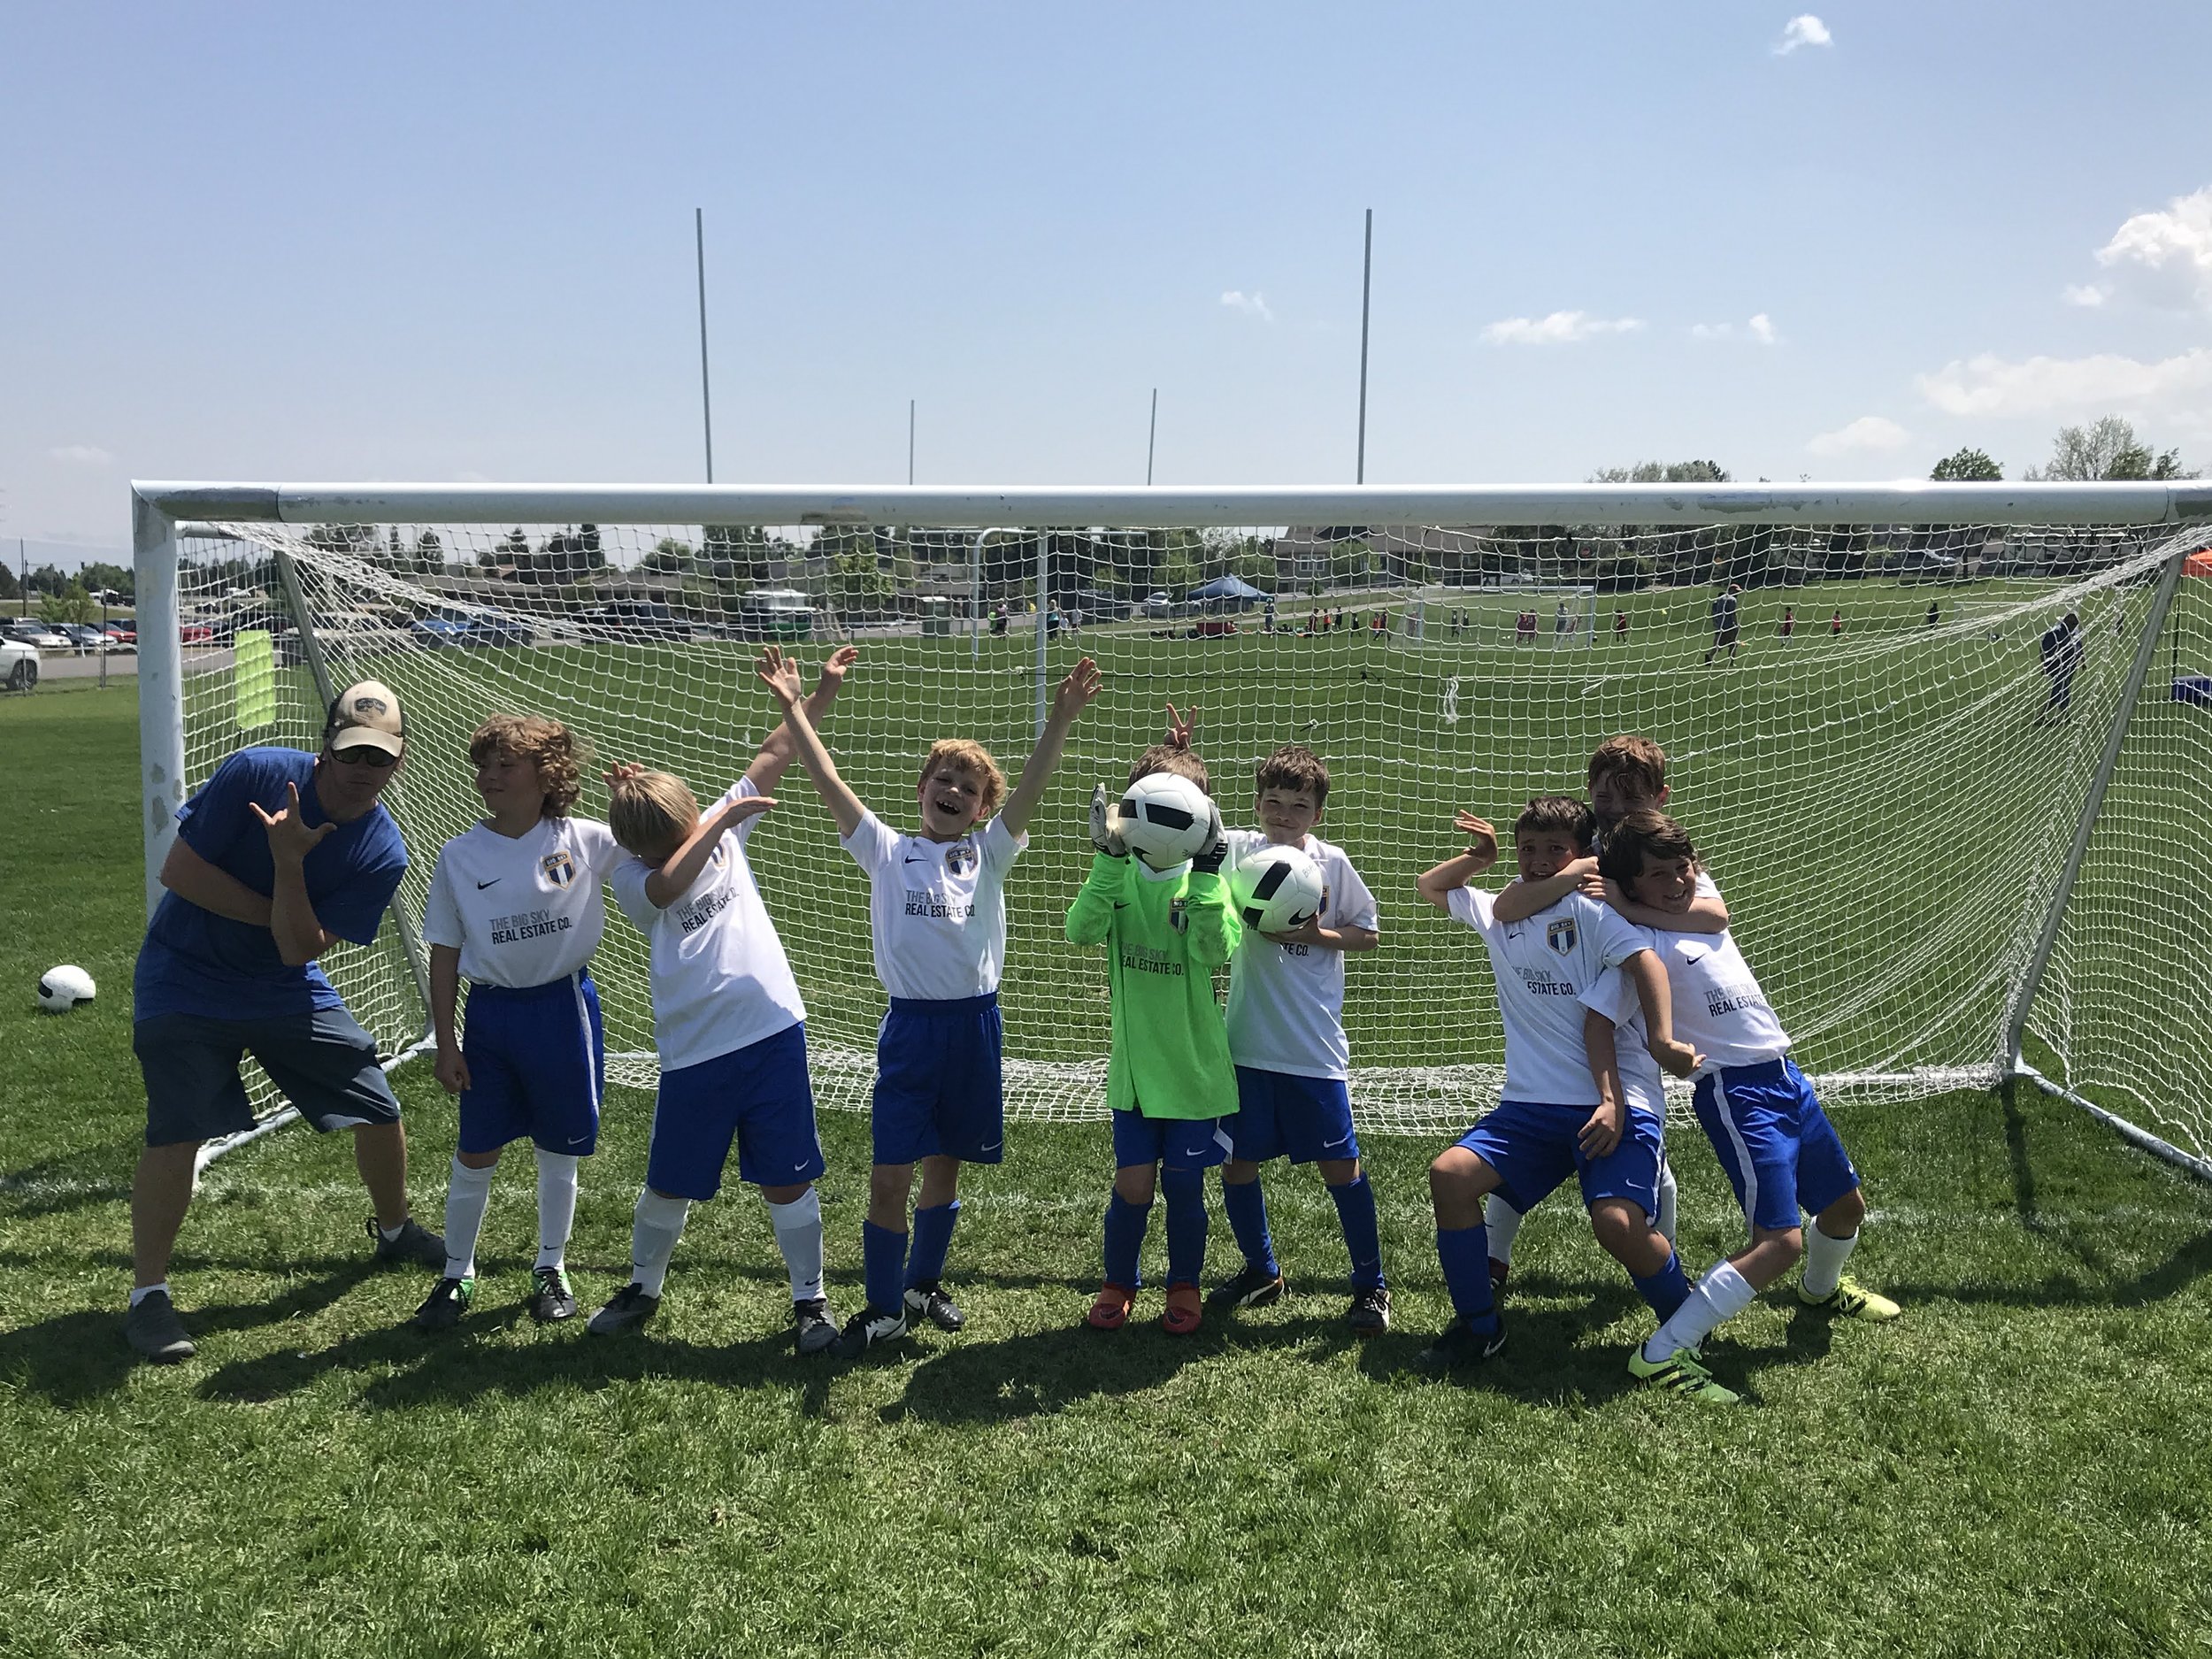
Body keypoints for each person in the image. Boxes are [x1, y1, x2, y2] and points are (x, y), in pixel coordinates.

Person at [757, 645, 1102, 1357]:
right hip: (912, 1032)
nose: (953, 790)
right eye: (942, 778)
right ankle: (883, 1308)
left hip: (975, 1029)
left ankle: (922, 1283)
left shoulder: (990, 853)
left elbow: (1032, 785)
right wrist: (795, 706)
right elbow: (827, 779)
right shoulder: (886, 851)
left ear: (982, 809)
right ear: (921, 789)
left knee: (945, 1165)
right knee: (890, 1175)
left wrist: (1062, 718)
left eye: (968, 787)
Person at [125, 680, 444, 1363]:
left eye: (379, 757)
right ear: (325, 748)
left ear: (400, 761)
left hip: (283, 983)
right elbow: (180, 870)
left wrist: (289, 863)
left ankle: (395, 1230)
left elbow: (299, 951)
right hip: (184, 974)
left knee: (377, 1104)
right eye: (352, 753)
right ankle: (148, 1294)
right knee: (178, 1127)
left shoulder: (382, 850)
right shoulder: (256, 772)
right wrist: (277, 909)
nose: (363, 770)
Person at [588, 649, 856, 1353]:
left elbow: (776, 751)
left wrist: (813, 696)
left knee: (787, 1179)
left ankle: (810, 1297)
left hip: (770, 1033)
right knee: (669, 1182)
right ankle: (643, 1284)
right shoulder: (633, 878)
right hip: (694, 1052)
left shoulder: (719, 825)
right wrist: (719, 817)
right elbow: (668, 883)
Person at [1598, 810, 1899, 1396]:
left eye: (1683, 868)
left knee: (1845, 1208)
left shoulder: (1695, 912)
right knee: (1779, 1241)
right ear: (1629, 885)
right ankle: (1663, 1351)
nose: (1678, 881)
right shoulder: (1640, 942)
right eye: (1658, 874)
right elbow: (1603, 1002)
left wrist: (1649, 890)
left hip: (1787, 1078)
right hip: (1737, 1093)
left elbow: (1709, 905)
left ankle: (1819, 1290)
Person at [1412, 798, 1701, 1372]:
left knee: (1617, 1225)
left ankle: (1689, 1320)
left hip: (1612, 1102)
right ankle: (1479, 1328)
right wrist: (1480, 858)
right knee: (1449, 1176)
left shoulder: (1590, 908)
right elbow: (1431, 886)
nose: (1539, 860)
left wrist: (1660, 1045)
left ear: (1583, 854)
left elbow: (1647, 961)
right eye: (1528, 849)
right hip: (1530, 1107)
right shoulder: (1501, 912)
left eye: (1555, 849)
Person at [1471, 734, 1722, 1291]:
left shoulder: (1659, 850)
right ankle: (1492, 1258)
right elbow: (1508, 906)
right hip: (1572, 1002)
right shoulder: (1580, 851)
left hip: (1634, 991)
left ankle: (1663, 1265)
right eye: (1604, 796)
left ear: (1660, 798)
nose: (1614, 809)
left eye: (1631, 798)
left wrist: (1628, 908)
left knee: (1642, 1143)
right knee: (1534, 1139)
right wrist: (1573, 874)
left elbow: (1714, 915)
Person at [411, 714, 628, 1332]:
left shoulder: (585, 838)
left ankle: (550, 1267)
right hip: (491, 1017)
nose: (490, 776)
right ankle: (456, 1273)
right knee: (476, 1146)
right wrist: (447, 1040)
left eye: (507, 765)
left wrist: (631, 801)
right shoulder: (459, 855)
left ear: (548, 775)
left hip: (562, 1011)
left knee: (558, 1148)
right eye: (484, 766)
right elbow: (445, 951)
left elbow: (660, 848)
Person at [1202, 733, 1389, 1333]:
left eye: (1299, 806)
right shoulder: (1242, 850)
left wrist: (1316, 935)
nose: (1284, 815)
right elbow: (1192, 823)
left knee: (1340, 1168)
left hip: (1312, 1050)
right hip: (1247, 1045)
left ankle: (1371, 1286)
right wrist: (1183, 764)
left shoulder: (1331, 863)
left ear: (1318, 814)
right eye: (1274, 803)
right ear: (1258, 803)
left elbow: (1368, 933)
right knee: (1238, 1164)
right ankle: (1262, 1270)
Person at [1066, 738, 1238, 1336]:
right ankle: (1119, 1280)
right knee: (1133, 1185)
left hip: (1193, 1073)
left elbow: (1214, 951)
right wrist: (1106, 861)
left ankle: (1184, 1283)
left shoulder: (1209, 884)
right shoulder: (1117, 875)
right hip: (1135, 1074)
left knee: (1184, 1187)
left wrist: (1209, 875)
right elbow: (1080, 930)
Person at [2039, 610, 2083, 718]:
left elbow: (2079, 646)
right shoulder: (2055, 632)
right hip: (2057, 666)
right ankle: (2066, 715)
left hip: (2071, 666)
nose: (2074, 625)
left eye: (2075, 623)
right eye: (2072, 622)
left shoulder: (2075, 631)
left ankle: (2042, 715)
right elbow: (2044, 649)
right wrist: (2044, 665)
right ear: (2065, 620)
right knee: (2062, 689)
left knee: (2058, 690)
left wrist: (2083, 660)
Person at [1703, 583, 1741, 665]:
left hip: (1720, 625)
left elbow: (1715, 612)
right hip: (1729, 625)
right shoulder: (1732, 599)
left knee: (1719, 644)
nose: (1737, 593)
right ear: (1731, 590)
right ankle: (1731, 662)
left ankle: (1710, 656)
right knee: (1732, 644)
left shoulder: (1720, 599)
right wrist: (1736, 624)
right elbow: (1733, 613)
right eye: (1736, 591)